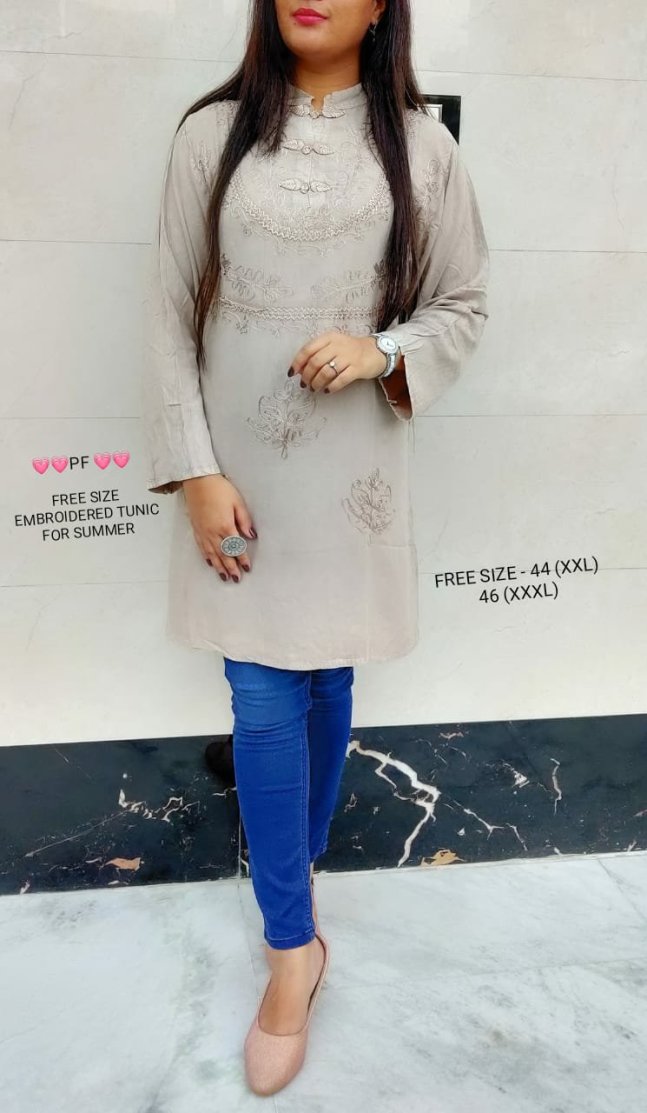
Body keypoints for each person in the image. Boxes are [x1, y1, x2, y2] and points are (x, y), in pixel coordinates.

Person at [142, 0, 489, 1096]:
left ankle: (294, 880)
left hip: (351, 475)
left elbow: (462, 305)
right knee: (260, 696)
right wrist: (194, 471)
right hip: (236, 478)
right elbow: (166, 313)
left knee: (327, 676)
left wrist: (380, 347)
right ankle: (291, 948)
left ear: (381, 6)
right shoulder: (211, 135)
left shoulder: (421, 147)